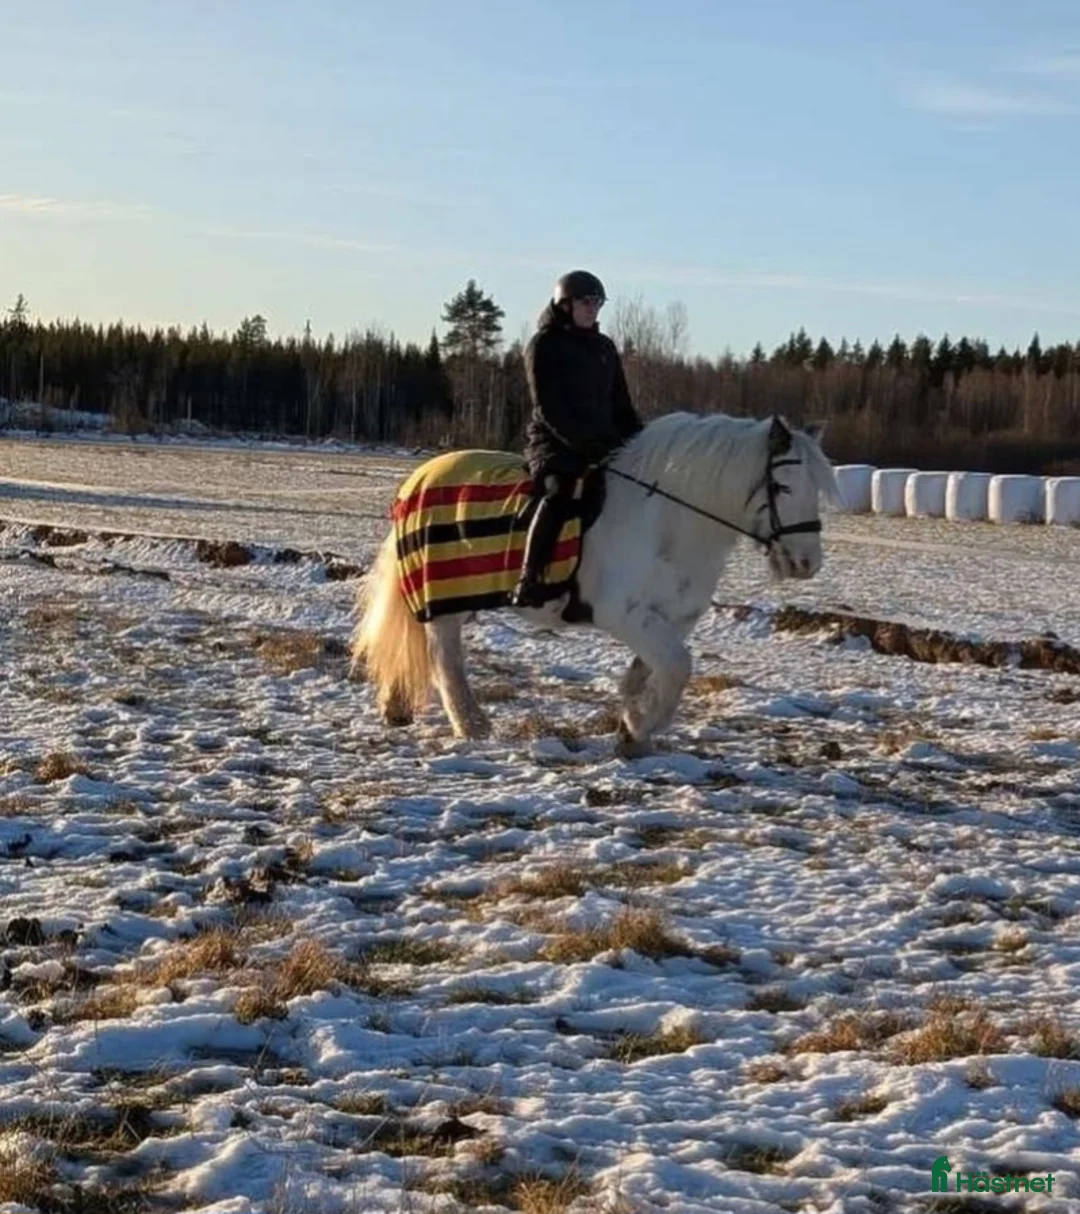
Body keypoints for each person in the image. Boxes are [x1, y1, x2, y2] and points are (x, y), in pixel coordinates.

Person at [509, 269, 643, 607]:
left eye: (597, 303)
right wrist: (586, 447)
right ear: (564, 304)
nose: (593, 309)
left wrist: (642, 444)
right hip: (554, 444)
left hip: (602, 444)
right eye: (586, 302)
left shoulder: (604, 347)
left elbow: (621, 406)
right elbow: (550, 409)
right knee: (559, 491)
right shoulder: (544, 346)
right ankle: (530, 576)